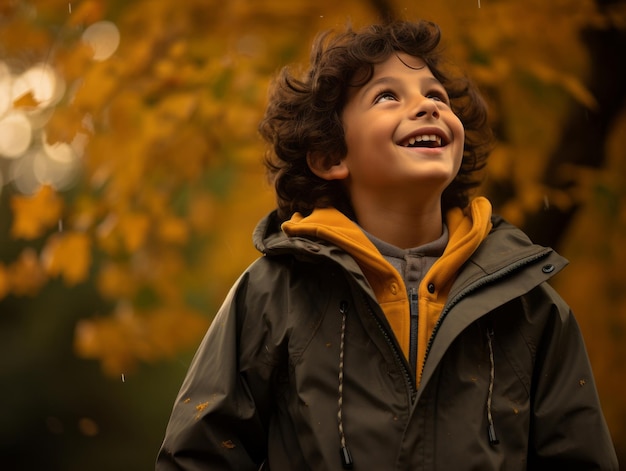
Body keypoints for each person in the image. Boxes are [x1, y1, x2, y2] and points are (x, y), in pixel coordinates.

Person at [156, 19, 618, 470]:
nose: (428, 106)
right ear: (331, 157)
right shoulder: (275, 292)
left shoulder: (531, 305)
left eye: (435, 96)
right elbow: (200, 454)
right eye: (387, 96)